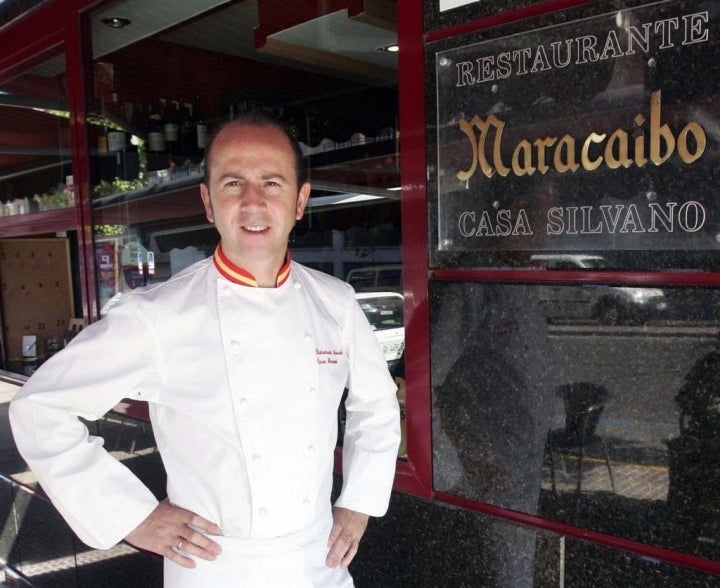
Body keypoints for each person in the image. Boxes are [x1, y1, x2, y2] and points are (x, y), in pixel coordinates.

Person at [9, 113, 401, 587]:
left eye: (272, 183)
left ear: (300, 200)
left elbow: (376, 408)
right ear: (208, 202)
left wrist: (358, 502)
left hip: (319, 562)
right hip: (213, 566)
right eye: (233, 182)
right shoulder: (157, 315)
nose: (253, 202)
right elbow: (39, 408)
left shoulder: (335, 302)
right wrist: (133, 517)